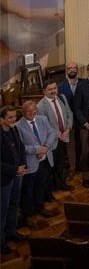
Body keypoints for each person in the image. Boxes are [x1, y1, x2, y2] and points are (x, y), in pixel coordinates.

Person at [36, 80, 73, 192]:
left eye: (54, 88)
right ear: (44, 91)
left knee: (61, 163)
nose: (53, 91)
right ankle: (53, 186)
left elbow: (69, 114)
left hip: (64, 136)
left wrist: (68, 129)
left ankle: (61, 184)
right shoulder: (40, 106)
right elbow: (45, 125)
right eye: (50, 89)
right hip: (52, 140)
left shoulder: (62, 98)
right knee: (53, 164)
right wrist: (59, 134)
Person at [1, 106, 27, 254]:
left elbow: (20, 147)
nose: (13, 120)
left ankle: (11, 231)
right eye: (10, 117)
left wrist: (23, 164)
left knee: (14, 205)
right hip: (4, 179)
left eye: (14, 117)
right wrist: (14, 169)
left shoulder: (14, 129)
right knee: (2, 211)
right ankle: (1, 241)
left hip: (18, 174)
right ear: (2, 118)